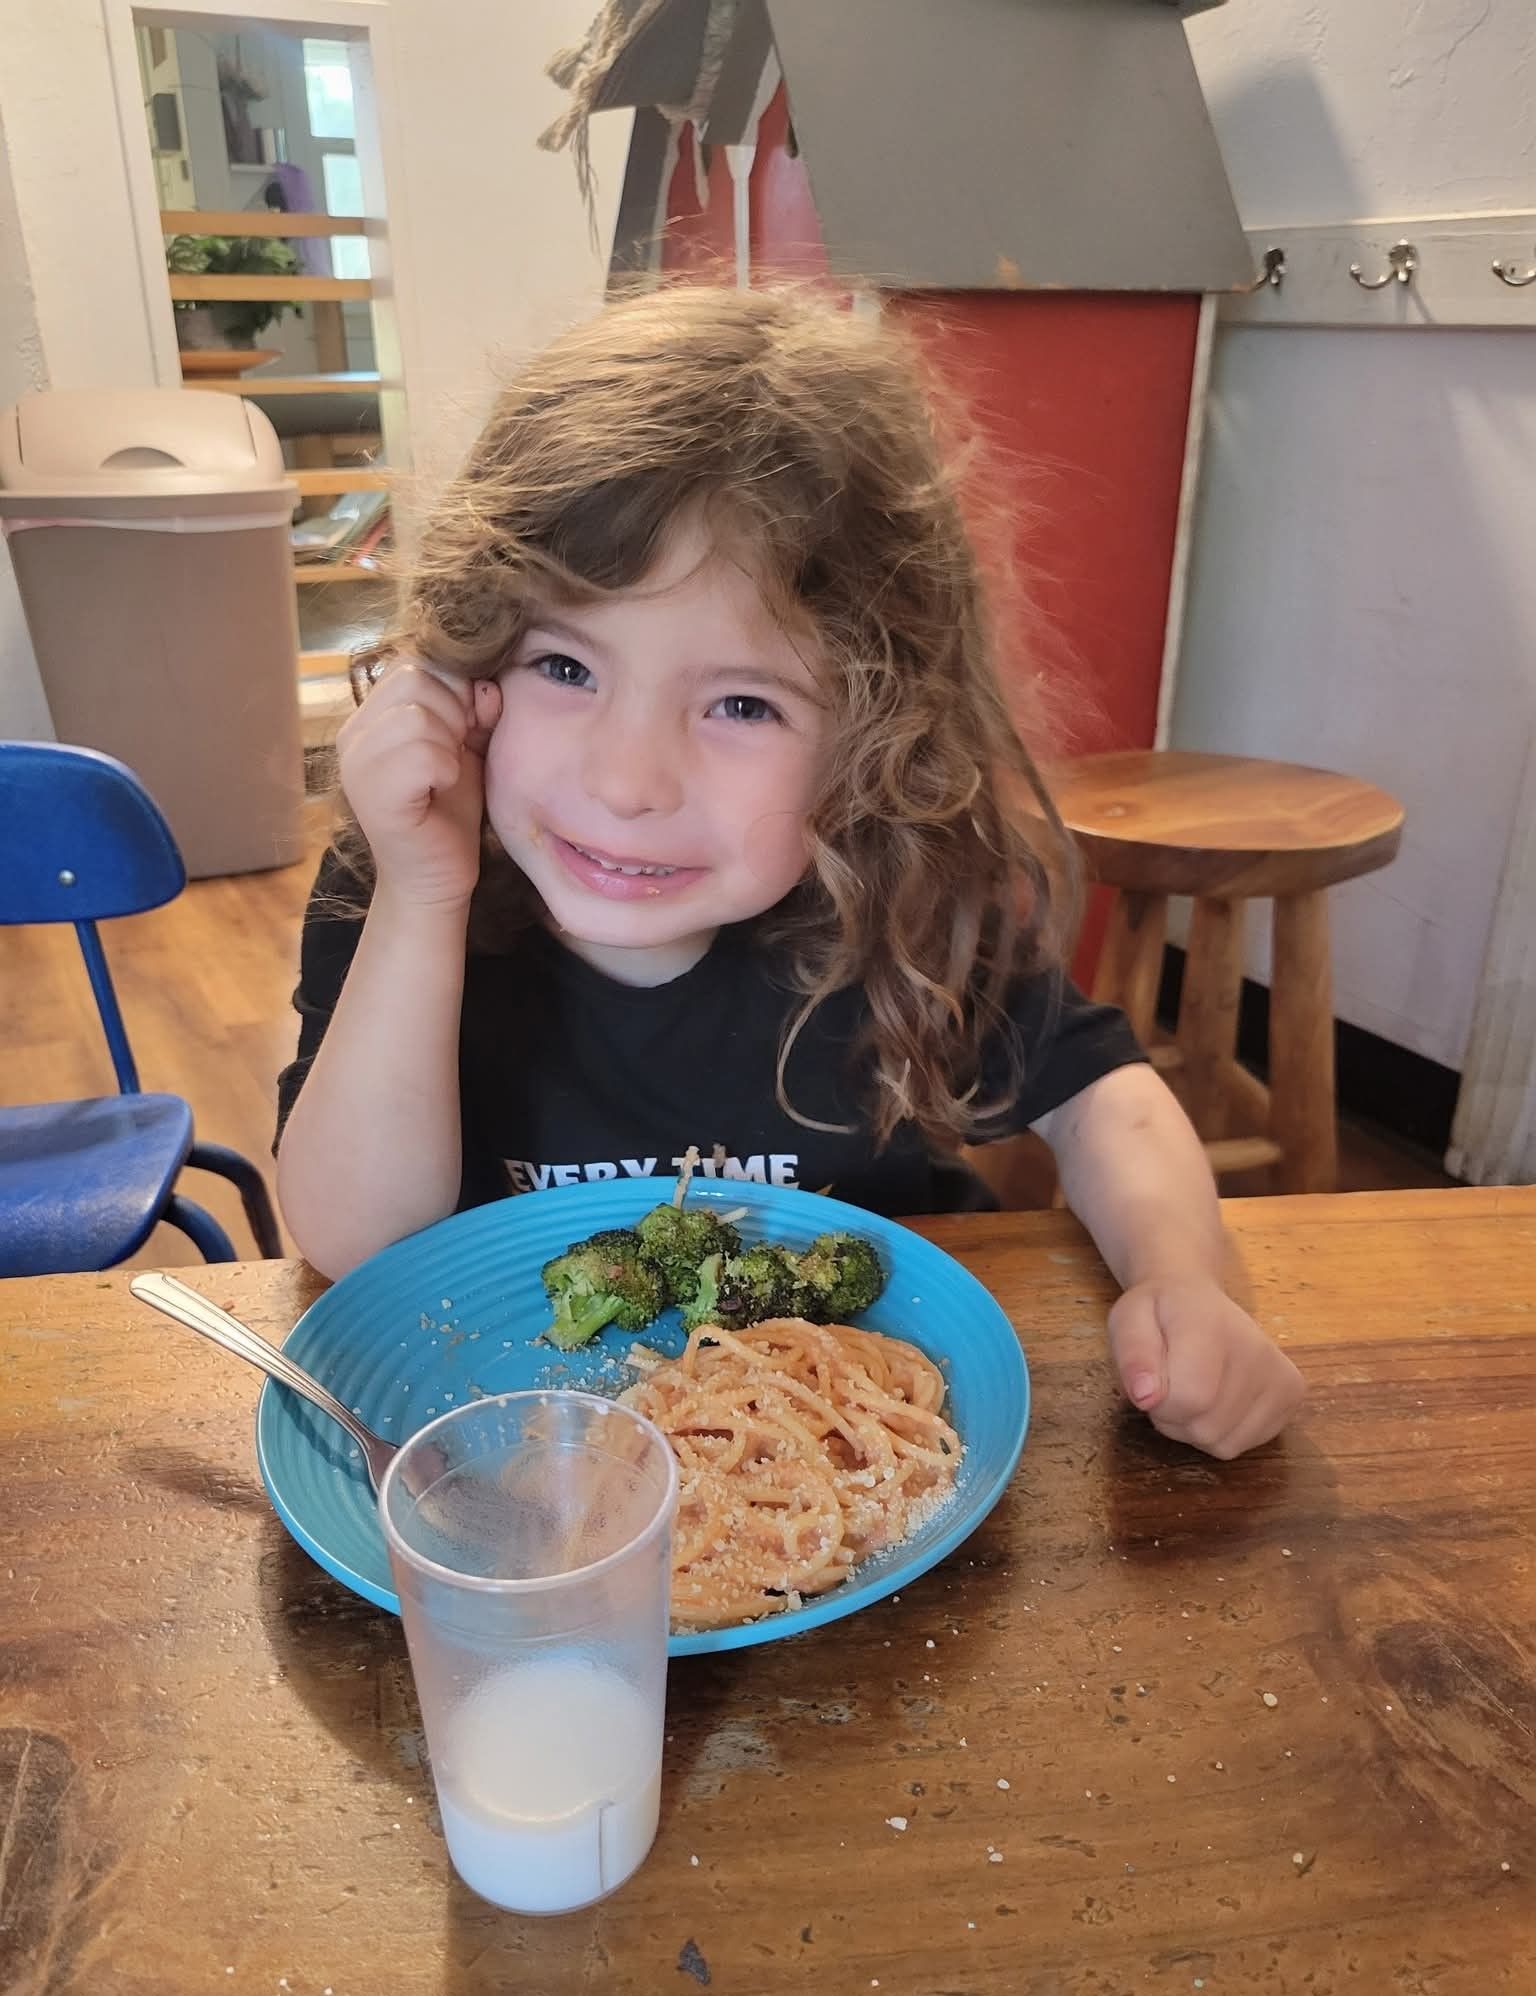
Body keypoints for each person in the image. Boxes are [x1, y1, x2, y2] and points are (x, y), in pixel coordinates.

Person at [276, 283, 1303, 1460]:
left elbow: (1100, 1093)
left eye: (742, 702)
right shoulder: (403, 873)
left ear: (879, 737)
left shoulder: (899, 894)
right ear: (467, 661)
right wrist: (421, 898)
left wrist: (1187, 1277)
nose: (628, 780)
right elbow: (352, 1240)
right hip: (522, 1469)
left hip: (874, 1453)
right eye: (565, 666)